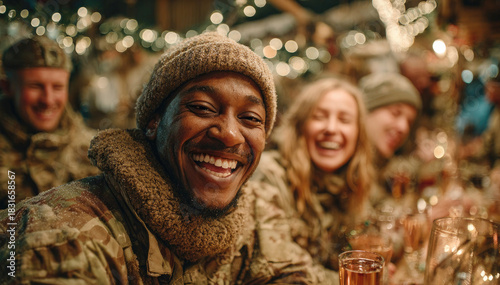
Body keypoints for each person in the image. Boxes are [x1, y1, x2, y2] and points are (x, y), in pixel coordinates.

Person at [0, 32, 320, 284]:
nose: (230, 135)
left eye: (251, 118)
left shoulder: (256, 213)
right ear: (154, 121)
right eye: (203, 108)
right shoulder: (63, 232)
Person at [251, 77, 374, 275]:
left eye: (344, 120)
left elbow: (368, 241)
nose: (331, 129)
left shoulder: (350, 184)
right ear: (300, 126)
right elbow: (278, 270)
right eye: (319, 116)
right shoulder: (269, 176)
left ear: (359, 135)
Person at [0, 36, 99, 209]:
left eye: (57, 87)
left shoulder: (92, 150)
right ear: (7, 87)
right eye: (35, 86)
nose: (48, 99)